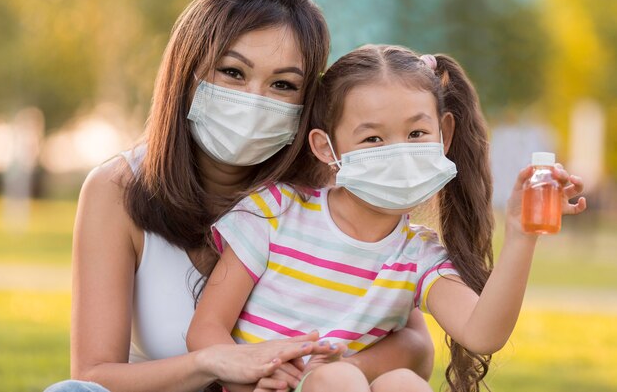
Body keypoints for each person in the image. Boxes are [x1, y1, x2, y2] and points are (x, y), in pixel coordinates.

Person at [44, 0, 436, 392]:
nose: (255, 99)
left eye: (283, 84)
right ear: (187, 71)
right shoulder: (117, 189)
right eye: (232, 72)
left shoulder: (331, 189)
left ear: (307, 103)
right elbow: (93, 375)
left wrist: (309, 375)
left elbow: (415, 345)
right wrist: (213, 362)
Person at [185, 44, 587, 392]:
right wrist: (247, 375)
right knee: (339, 380)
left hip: (344, 384)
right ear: (326, 148)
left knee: (404, 383)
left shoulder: (418, 255)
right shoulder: (275, 211)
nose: (398, 152)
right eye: (373, 138)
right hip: (260, 385)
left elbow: (482, 333)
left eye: (416, 134)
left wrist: (522, 235)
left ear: (444, 136)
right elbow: (206, 329)